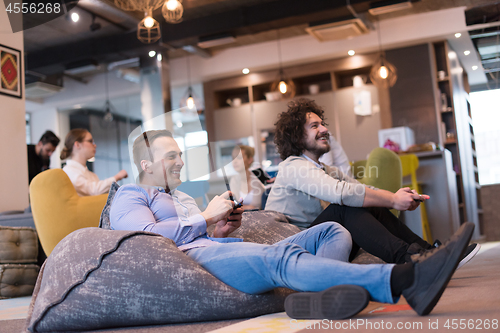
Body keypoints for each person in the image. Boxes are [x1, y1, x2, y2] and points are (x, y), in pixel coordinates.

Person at [109, 129, 474, 320]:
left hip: (221, 248)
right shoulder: (130, 195)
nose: (180, 162)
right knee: (279, 261)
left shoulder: (181, 198)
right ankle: (406, 280)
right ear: (146, 165)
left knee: (335, 230)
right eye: (171, 156)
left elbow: (198, 229)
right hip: (198, 260)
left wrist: (218, 226)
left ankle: (313, 301)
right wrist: (206, 218)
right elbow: (145, 239)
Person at [266, 98, 479, 266]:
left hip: (318, 241)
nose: (324, 129)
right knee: (344, 207)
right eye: (314, 126)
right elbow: (341, 193)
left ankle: (430, 253)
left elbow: (361, 189)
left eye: (322, 124)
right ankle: (410, 259)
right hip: (291, 247)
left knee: (368, 203)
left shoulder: (325, 170)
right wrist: (393, 201)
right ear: (296, 137)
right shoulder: (292, 166)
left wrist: (398, 196)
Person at [60, 129, 128, 196]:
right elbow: (93, 190)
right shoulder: (68, 171)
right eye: (90, 141)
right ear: (77, 144)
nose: (95, 145)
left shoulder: (92, 175)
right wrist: (117, 177)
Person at [230, 145, 265, 210]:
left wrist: (241, 206)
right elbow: (235, 205)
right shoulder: (234, 180)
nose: (235, 161)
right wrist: (248, 207)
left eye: (239, 157)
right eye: (233, 158)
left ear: (250, 160)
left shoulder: (259, 176)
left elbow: (257, 207)